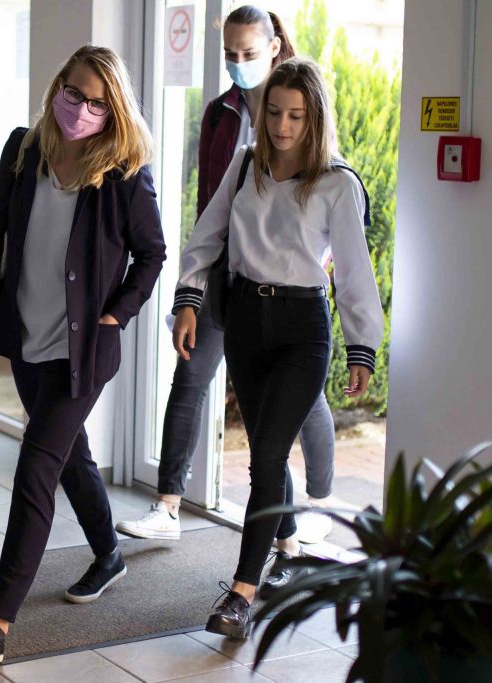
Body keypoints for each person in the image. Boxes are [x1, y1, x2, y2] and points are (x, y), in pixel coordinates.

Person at [0, 45, 165, 665]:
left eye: (98, 103)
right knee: (71, 454)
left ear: (113, 110)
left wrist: (114, 316)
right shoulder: (23, 150)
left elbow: (152, 254)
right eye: (74, 94)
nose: (82, 109)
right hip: (26, 338)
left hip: (83, 351)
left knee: (36, 468)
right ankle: (109, 553)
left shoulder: (124, 171)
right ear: (56, 89)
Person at [172, 57, 382, 639]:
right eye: (274, 113)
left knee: (265, 454)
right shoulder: (245, 166)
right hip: (243, 320)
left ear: (315, 119)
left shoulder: (337, 183)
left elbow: (354, 274)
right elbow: (207, 237)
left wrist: (361, 346)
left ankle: (240, 595)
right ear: (262, 114)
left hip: (301, 329)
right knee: (269, 446)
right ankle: (287, 548)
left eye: (296, 115)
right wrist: (188, 300)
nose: (283, 126)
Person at [116, 6, 339, 553]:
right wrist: (192, 289)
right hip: (228, 278)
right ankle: (169, 503)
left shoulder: (304, 105)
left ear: (274, 46)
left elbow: (329, 193)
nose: (238, 63)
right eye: (230, 54)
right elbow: (211, 201)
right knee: (191, 377)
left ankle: (314, 507)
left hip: (288, 290)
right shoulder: (220, 114)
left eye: (248, 53)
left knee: (297, 406)